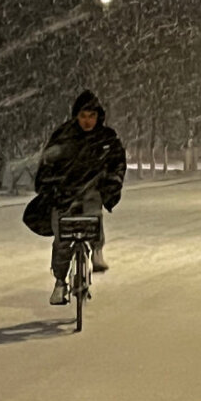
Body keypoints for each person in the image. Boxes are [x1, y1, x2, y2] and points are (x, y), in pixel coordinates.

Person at [34, 90, 127, 306]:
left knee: (93, 212)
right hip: (64, 195)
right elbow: (47, 162)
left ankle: (97, 251)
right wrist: (48, 186)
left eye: (92, 116)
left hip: (91, 191)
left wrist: (112, 183)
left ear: (98, 117)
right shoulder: (64, 136)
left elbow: (117, 163)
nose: (87, 121)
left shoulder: (106, 138)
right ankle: (60, 283)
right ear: (76, 116)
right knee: (62, 239)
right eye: (84, 116)